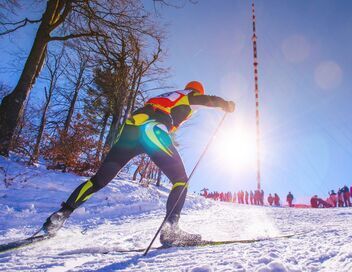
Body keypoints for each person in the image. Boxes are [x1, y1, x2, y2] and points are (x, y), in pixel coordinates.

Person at [42, 81, 235, 246]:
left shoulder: (168, 96)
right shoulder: (189, 94)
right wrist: (225, 104)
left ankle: (61, 215)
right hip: (151, 129)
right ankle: (171, 230)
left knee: (99, 180)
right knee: (181, 180)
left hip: (130, 131)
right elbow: (206, 99)